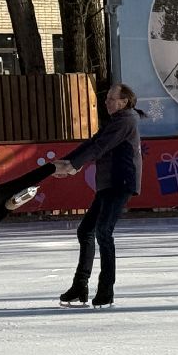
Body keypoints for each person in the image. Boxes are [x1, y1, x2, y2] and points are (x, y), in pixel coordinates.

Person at [52, 83, 144, 309]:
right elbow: (92, 143)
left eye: (111, 98)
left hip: (119, 182)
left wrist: (72, 165)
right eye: (107, 99)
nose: (107, 102)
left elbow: (100, 147)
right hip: (108, 184)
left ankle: (105, 292)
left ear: (124, 102)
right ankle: (79, 287)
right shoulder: (116, 121)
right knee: (86, 230)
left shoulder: (125, 121)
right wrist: (67, 162)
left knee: (103, 231)